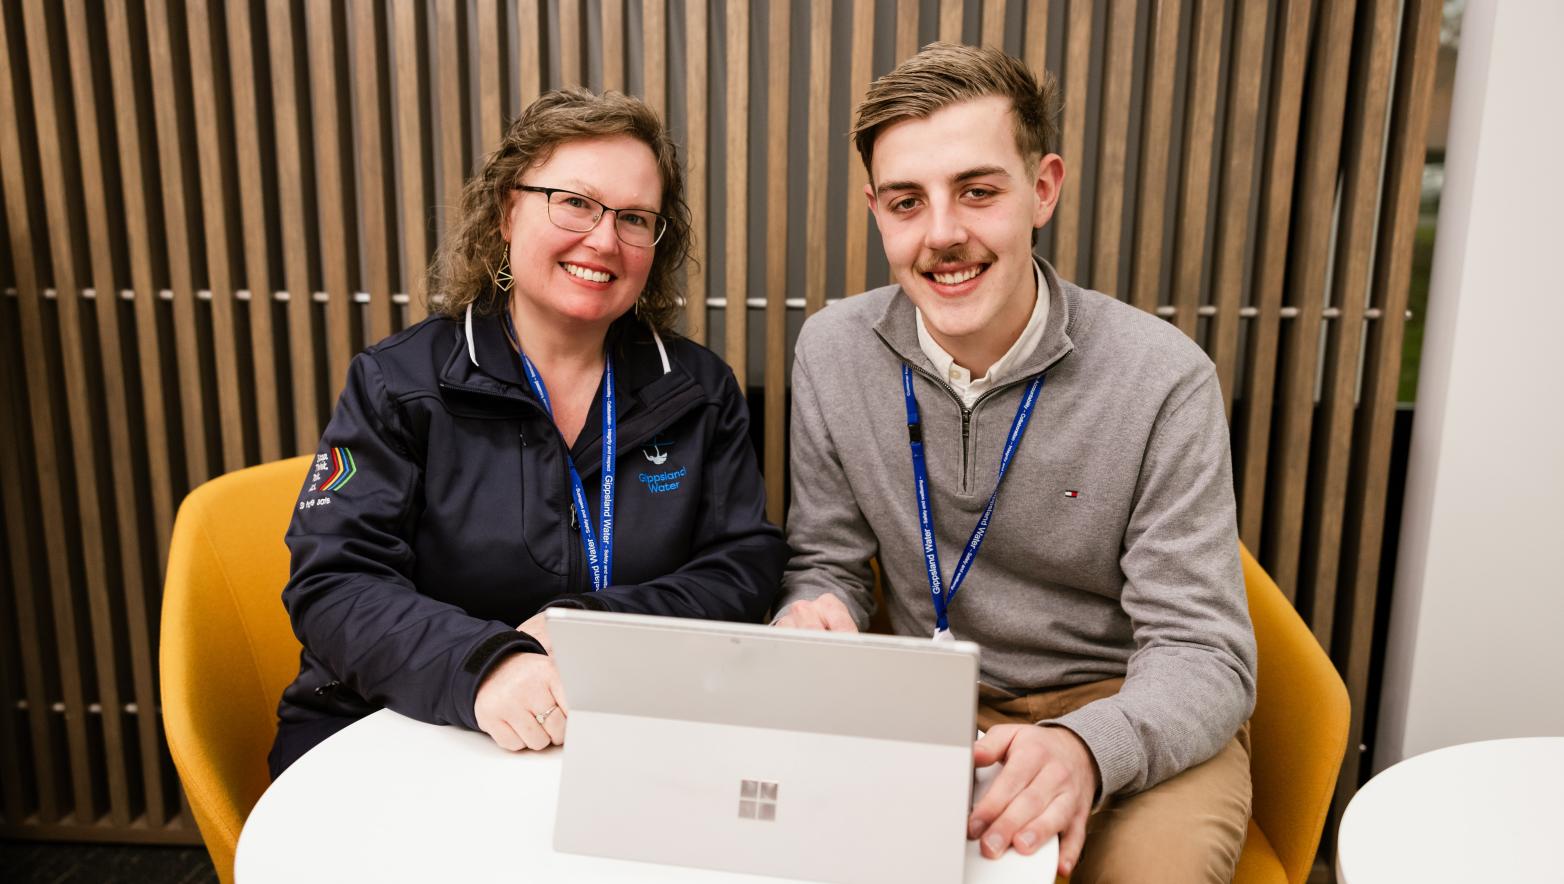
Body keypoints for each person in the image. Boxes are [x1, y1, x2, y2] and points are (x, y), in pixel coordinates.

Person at [774, 44, 1256, 882]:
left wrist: (1087, 748)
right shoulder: (832, 350)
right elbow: (828, 562)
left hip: (1120, 704)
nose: (943, 234)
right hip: (926, 702)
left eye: (978, 191)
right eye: (906, 202)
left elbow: (1202, 651)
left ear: (1043, 189)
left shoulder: (1164, 376)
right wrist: (811, 611)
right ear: (876, 211)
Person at [270, 88, 786, 778]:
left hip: (619, 726)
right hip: (398, 725)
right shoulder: (399, 382)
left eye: (634, 218)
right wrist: (485, 664)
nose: (603, 239)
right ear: (508, 210)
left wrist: (594, 626)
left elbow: (742, 565)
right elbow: (335, 581)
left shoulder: (696, 388)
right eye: (574, 202)